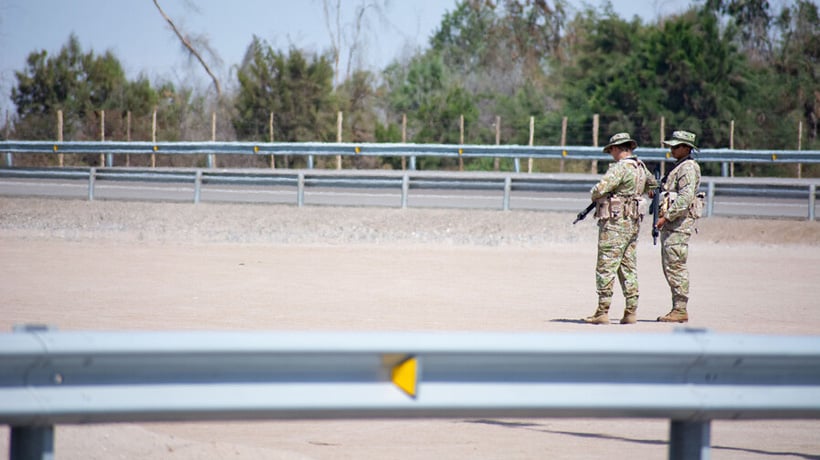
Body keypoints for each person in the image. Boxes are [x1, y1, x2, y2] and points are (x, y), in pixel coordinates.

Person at [583, 132, 657, 325]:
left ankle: (602, 311)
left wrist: (596, 194)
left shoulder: (620, 168)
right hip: (633, 223)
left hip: (615, 224)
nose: (611, 154)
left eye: (612, 150)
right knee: (628, 267)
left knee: (606, 266)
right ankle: (631, 311)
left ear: (618, 148)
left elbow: (599, 190)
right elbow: (653, 185)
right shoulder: (640, 167)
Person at [655, 130, 703, 323]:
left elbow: (684, 198)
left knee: (675, 265)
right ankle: (677, 308)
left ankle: (680, 309)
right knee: (670, 265)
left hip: (677, 225)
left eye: (676, 147)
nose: (672, 150)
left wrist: (666, 217)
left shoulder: (688, 168)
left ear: (686, 148)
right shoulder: (678, 167)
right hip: (672, 225)